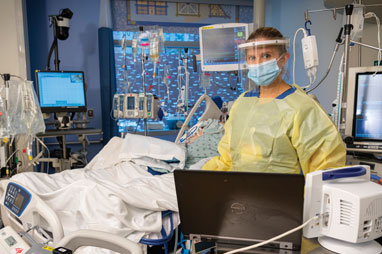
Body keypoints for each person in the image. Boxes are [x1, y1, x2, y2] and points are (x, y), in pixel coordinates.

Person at [202, 27, 346, 175]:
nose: (258, 63)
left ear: (283, 59)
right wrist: (201, 176)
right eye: (252, 58)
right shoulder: (241, 103)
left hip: (281, 196)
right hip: (238, 194)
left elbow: (326, 169)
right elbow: (227, 160)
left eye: (265, 56)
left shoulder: (302, 107)